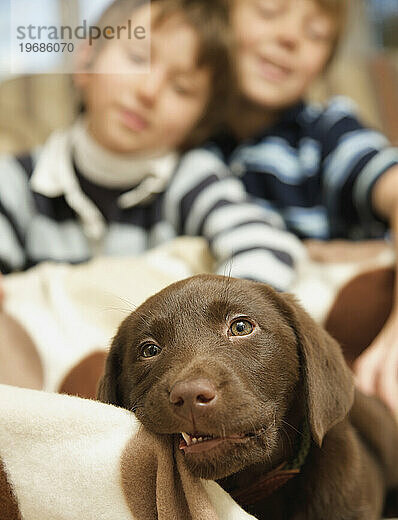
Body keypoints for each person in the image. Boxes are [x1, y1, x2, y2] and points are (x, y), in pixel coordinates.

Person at [0, 0, 303, 294]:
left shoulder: (193, 178)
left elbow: (265, 247)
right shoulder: (14, 180)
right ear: (86, 60)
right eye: (137, 59)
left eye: (182, 88)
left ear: (200, 123)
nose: (149, 91)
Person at [208, 0, 398, 409]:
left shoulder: (326, 132)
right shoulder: (185, 146)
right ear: (219, 19)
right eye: (269, 11)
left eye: (316, 34)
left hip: (349, 345)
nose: (290, 37)